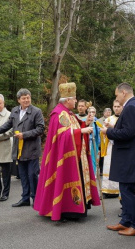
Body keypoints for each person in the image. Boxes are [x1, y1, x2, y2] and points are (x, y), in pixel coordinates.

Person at [34, 82, 101, 221]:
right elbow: (63, 136)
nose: (76, 100)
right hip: (65, 157)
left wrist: (85, 124)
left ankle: (78, 207)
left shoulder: (68, 113)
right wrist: (81, 131)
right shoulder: (59, 114)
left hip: (76, 155)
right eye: (74, 98)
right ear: (68, 100)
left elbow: (75, 127)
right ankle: (66, 210)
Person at [100, 83, 135, 236]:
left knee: (128, 191)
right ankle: (126, 221)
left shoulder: (131, 107)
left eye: (116, 95)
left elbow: (128, 133)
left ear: (123, 93)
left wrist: (108, 131)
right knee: (125, 189)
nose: (116, 98)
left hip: (130, 156)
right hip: (131, 155)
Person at [0, 88, 45, 207]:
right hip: (19, 150)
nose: (26, 100)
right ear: (19, 100)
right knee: (22, 175)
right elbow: (7, 125)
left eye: (28, 98)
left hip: (31, 149)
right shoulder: (15, 111)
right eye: (23, 98)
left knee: (32, 175)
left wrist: (24, 135)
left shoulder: (36, 111)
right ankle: (25, 198)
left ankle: (36, 198)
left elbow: (40, 129)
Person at [101, 100, 122, 199]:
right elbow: (103, 133)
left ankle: (117, 190)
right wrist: (104, 132)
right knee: (108, 167)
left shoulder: (124, 118)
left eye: (118, 106)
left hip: (119, 147)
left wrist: (111, 129)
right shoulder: (109, 119)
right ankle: (107, 190)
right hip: (109, 147)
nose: (116, 108)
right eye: (115, 106)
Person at [98, 107, 112, 175]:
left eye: (109, 112)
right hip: (102, 141)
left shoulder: (112, 119)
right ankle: (101, 170)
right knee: (102, 157)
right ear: (104, 113)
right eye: (107, 112)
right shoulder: (99, 120)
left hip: (110, 141)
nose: (108, 113)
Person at [87, 106, 100, 175]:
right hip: (87, 142)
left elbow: (99, 133)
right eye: (90, 112)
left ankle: (93, 174)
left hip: (94, 143)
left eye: (93, 112)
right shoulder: (85, 120)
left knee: (93, 159)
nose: (91, 113)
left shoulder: (98, 121)